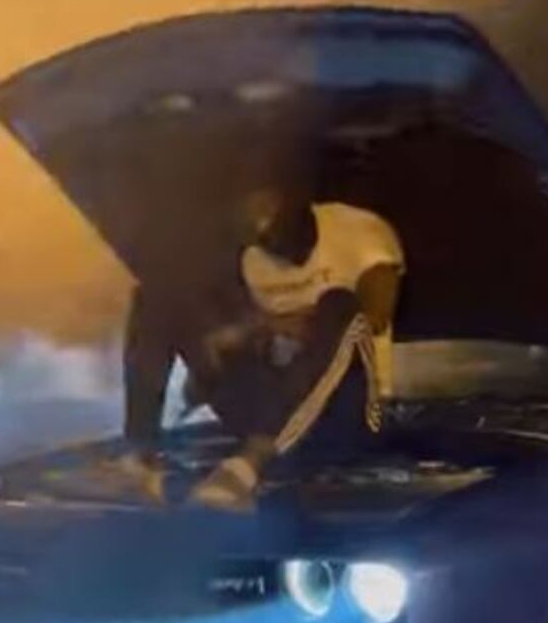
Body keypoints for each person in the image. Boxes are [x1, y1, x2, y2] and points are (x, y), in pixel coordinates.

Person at [89, 182, 404, 509]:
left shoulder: (357, 230)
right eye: (253, 218)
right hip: (265, 405)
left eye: (268, 211)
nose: (260, 223)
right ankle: (139, 459)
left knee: (338, 304)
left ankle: (249, 463)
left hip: (345, 417)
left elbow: (374, 317)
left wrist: (270, 325)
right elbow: (239, 336)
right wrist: (225, 343)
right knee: (159, 296)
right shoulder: (243, 252)